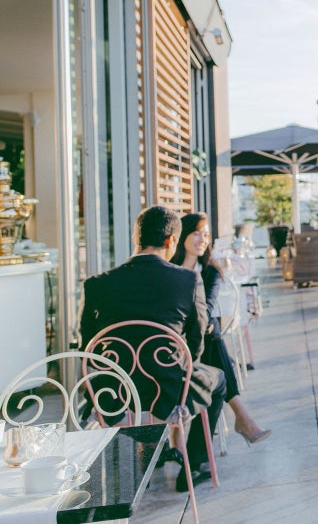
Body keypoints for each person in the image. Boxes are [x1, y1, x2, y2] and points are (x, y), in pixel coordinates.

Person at [80, 205, 227, 493]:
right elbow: (196, 341)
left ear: (136, 238)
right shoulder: (187, 279)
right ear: (172, 241)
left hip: (115, 394)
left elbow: (88, 345)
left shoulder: (97, 284)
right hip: (170, 391)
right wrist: (182, 368)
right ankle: (193, 464)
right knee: (219, 380)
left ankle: (146, 456)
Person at [171, 212, 271, 446]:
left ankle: (185, 439)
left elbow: (208, 305)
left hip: (198, 340)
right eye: (197, 233)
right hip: (175, 343)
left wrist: (196, 326)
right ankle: (241, 416)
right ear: (183, 235)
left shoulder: (210, 270)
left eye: (206, 234)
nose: (202, 239)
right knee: (217, 359)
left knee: (212, 336)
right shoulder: (169, 270)